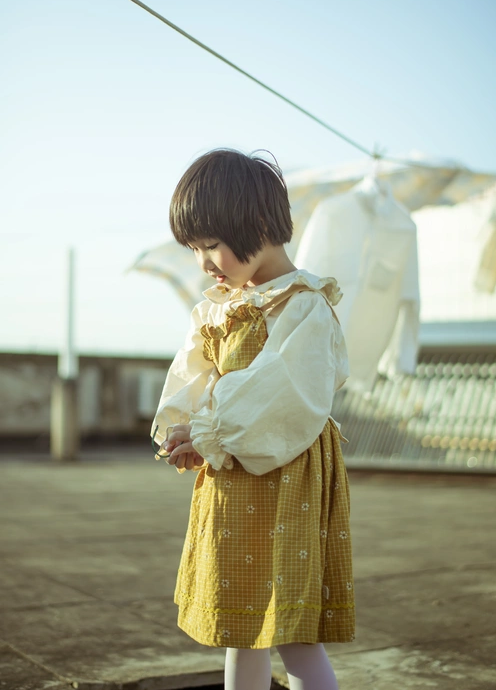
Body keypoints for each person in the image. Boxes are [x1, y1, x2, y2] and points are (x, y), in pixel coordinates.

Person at [151, 148, 355, 690]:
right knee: (239, 624)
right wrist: (189, 430)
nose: (203, 261)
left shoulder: (302, 304)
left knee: (290, 629)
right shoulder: (222, 307)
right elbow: (197, 379)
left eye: (210, 243)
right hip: (233, 479)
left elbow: (283, 391)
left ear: (260, 223)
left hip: (285, 481)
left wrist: (209, 431)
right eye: (194, 247)